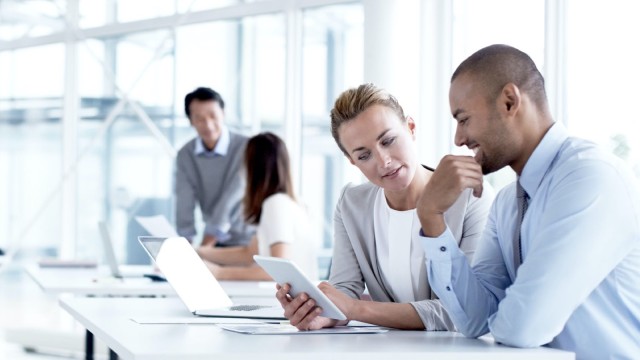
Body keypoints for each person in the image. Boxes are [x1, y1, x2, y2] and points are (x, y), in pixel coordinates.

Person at [416, 44, 640, 359]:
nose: (458, 139)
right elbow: (475, 319)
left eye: (463, 119)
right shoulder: (507, 202)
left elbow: (524, 328)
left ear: (510, 101)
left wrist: (506, 315)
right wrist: (431, 216)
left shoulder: (590, 178)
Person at [275, 83, 494, 330]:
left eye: (388, 140)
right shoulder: (352, 204)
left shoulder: (471, 199)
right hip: (387, 350)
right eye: (364, 155)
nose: (384, 161)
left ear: (410, 128)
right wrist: (324, 313)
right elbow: (345, 289)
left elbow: (462, 310)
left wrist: (356, 309)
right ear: (352, 161)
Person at [197, 132, 318, 281]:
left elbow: (279, 272)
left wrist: (219, 273)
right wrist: (199, 252)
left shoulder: (276, 205)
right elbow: (249, 253)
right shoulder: (292, 203)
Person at [175, 87, 254, 248]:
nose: (208, 125)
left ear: (223, 114)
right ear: (191, 121)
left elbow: (233, 194)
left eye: (213, 116)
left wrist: (206, 244)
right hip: (215, 242)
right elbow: (184, 199)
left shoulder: (246, 147)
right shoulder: (185, 155)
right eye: (199, 118)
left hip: (248, 239)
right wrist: (184, 245)